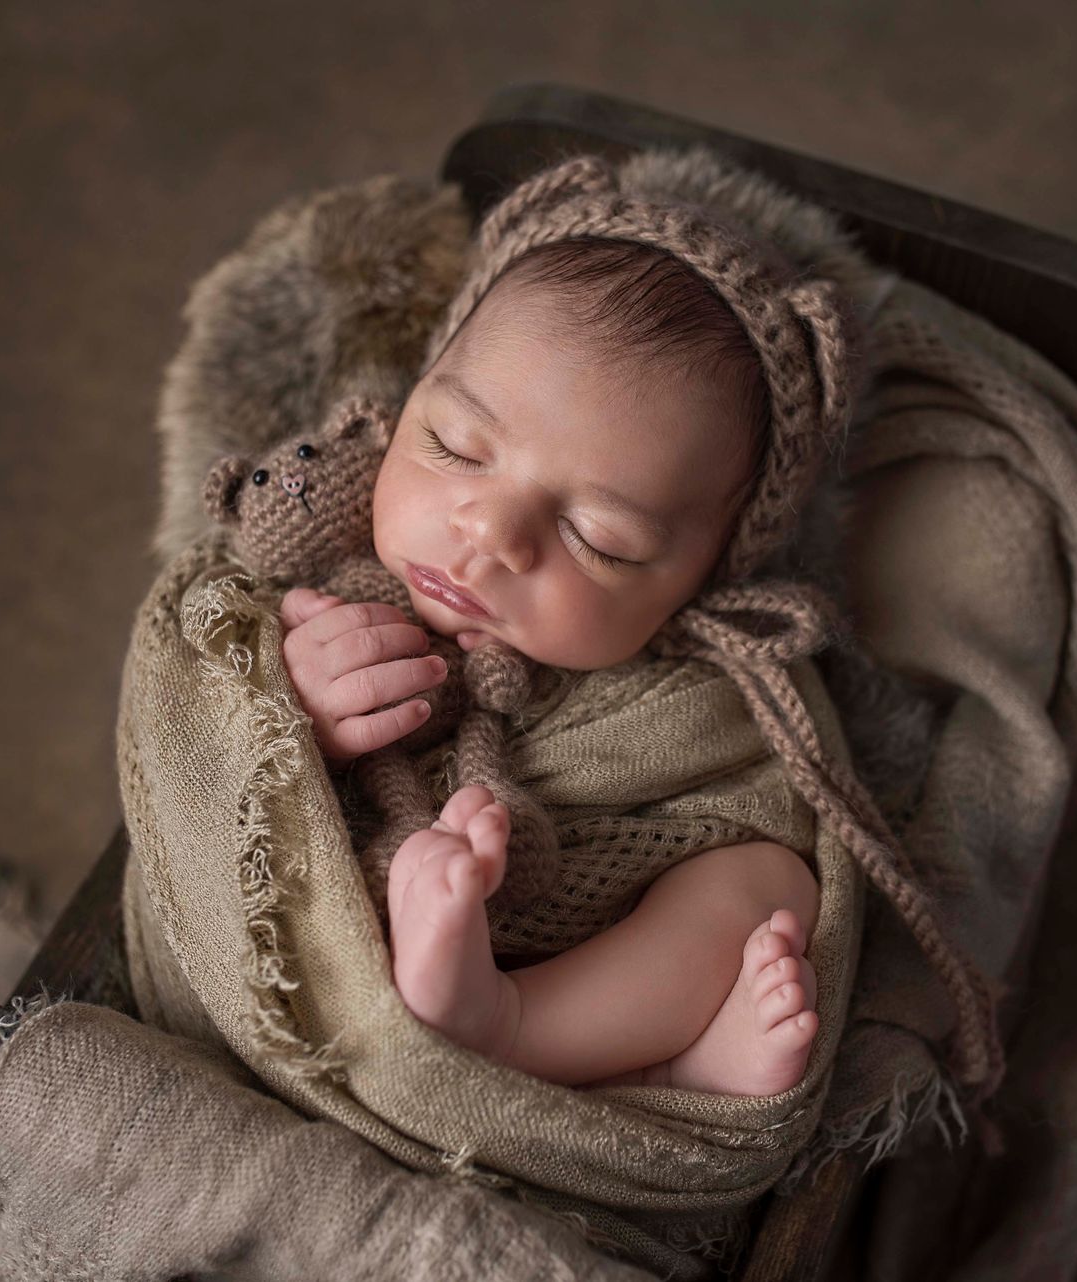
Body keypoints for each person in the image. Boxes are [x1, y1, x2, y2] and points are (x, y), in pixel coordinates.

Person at [273, 229, 828, 1097]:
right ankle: (652, 1067)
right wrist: (296, 712)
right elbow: (204, 714)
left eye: (596, 538)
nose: (490, 533)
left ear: (703, 584)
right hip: (329, 982)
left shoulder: (691, 696)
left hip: (573, 978)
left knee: (774, 885)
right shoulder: (316, 565)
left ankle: (529, 1031)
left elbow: (763, 797)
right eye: (454, 445)